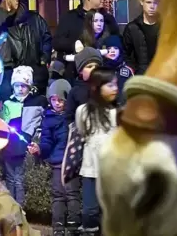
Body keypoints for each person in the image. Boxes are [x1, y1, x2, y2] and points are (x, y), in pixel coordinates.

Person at [30, 79, 80, 236]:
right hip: (58, 162)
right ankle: (58, 228)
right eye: (53, 100)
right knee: (58, 196)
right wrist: (39, 149)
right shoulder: (49, 119)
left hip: (72, 162)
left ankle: (73, 227)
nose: (57, 103)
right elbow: (46, 141)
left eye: (61, 100)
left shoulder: (73, 117)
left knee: (72, 195)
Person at [75, 68, 118, 234]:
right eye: (109, 84)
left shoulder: (117, 113)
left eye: (115, 84)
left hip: (112, 172)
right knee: (90, 212)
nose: (115, 88)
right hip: (90, 170)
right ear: (96, 87)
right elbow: (82, 132)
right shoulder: (83, 111)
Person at [0, 66, 46, 205]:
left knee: (18, 178)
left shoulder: (37, 102)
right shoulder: (8, 102)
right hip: (9, 144)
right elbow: (3, 120)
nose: (20, 89)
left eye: (23, 86)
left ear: (29, 86)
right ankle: (10, 205)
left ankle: (19, 206)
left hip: (23, 144)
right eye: (17, 85)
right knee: (10, 177)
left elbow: (40, 120)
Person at [53, 0, 119, 82]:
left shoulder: (108, 19)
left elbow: (117, 40)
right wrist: (77, 45)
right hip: (75, 74)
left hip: (104, 73)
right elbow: (57, 42)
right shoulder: (70, 18)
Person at [3, 0, 53, 96]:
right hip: (15, 73)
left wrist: (44, 58)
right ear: (8, 0)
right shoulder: (5, 22)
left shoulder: (36, 19)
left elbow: (47, 38)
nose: (18, 1)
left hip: (36, 71)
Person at [123, 0, 160, 75]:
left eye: (155, 3)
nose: (152, 6)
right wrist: (133, 70)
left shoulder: (165, 27)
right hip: (141, 75)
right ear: (142, 2)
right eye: (148, 2)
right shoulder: (132, 28)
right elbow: (125, 54)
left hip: (161, 75)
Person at [65, 48, 104, 125]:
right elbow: (69, 118)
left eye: (97, 66)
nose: (94, 69)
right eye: (89, 66)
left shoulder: (105, 87)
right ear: (80, 71)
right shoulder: (75, 92)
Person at [97, 35, 134, 105]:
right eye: (109, 48)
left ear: (120, 51)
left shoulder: (127, 71)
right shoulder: (99, 70)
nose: (112, 51)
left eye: (116, 48)